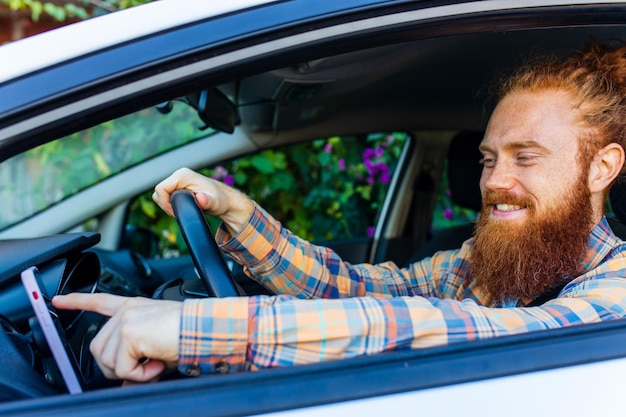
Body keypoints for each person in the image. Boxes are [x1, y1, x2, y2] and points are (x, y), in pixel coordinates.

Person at [53, 40, 626, 383]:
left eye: (526, 157)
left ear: (602, 167)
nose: (495, 181)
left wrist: (194, 329)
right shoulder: (485, 264)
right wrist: (236, 212)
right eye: (487, 158)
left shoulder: (617, 289)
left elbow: (467, 335)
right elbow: (352, 290)